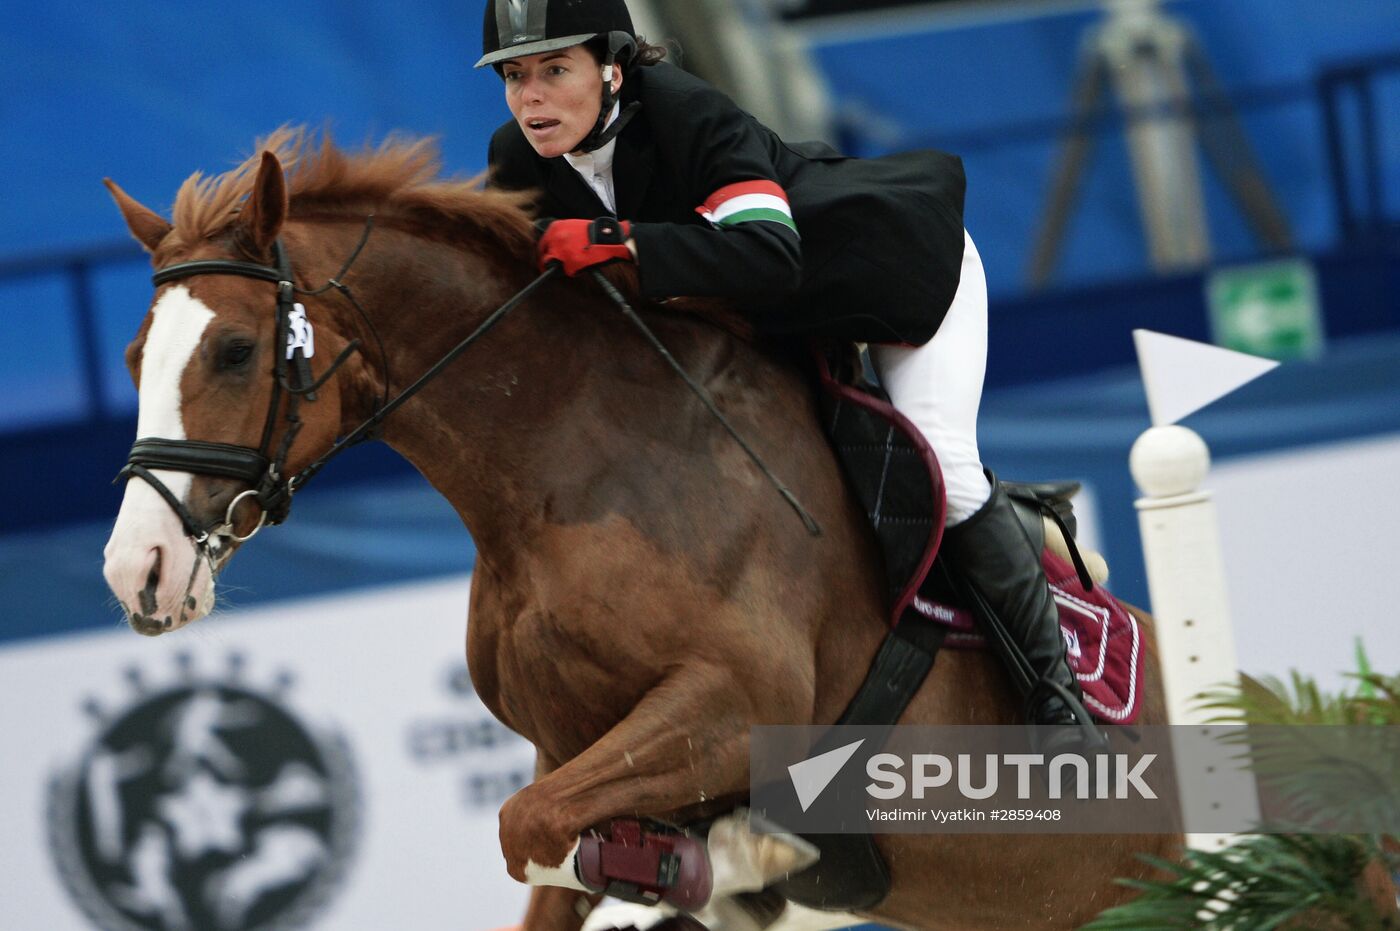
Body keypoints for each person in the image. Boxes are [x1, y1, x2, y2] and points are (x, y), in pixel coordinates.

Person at [477, 0, 1093, 736]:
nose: (531, 97)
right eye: (515, 76)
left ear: (612, 69)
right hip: (779, 326)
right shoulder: (516, 156)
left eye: (554, 70)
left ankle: (1058, 702)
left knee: (946, 469)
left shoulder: (685, 112)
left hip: (894, 274)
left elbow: (771, 253)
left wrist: (622, 239)